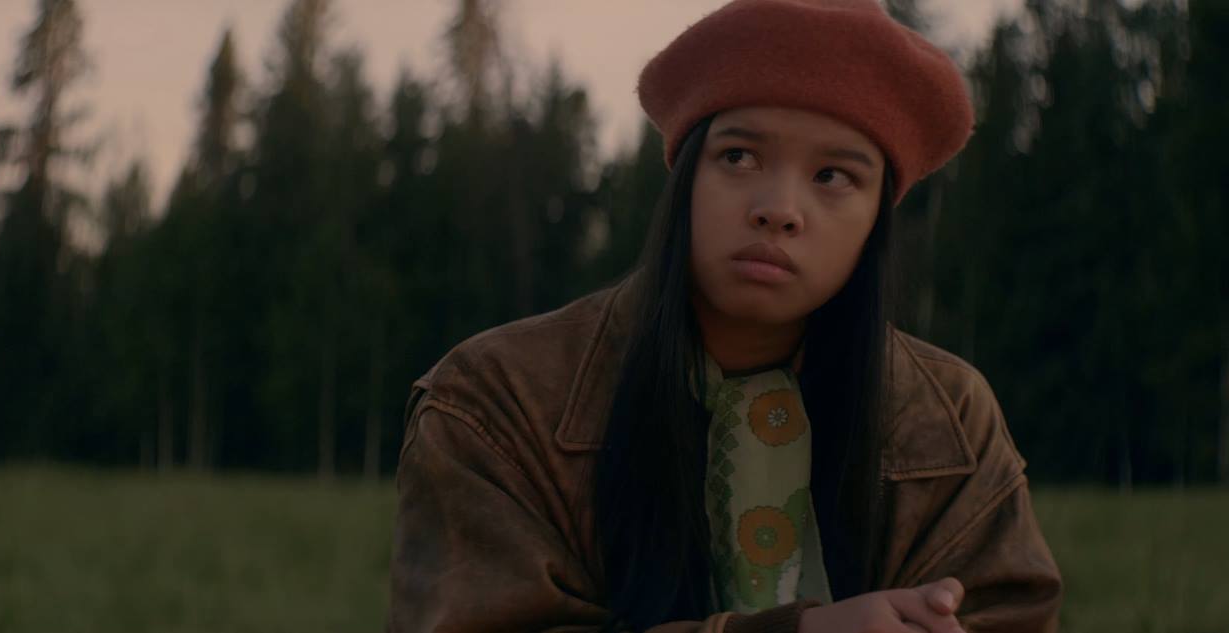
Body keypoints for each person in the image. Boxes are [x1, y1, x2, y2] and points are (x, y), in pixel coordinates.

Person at [386, 1, 1063, 631]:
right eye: (738, 156)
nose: (779, 209)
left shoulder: (947, 420)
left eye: (833, 176)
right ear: (686, 178)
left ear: (876, 220)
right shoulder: (499, 401)